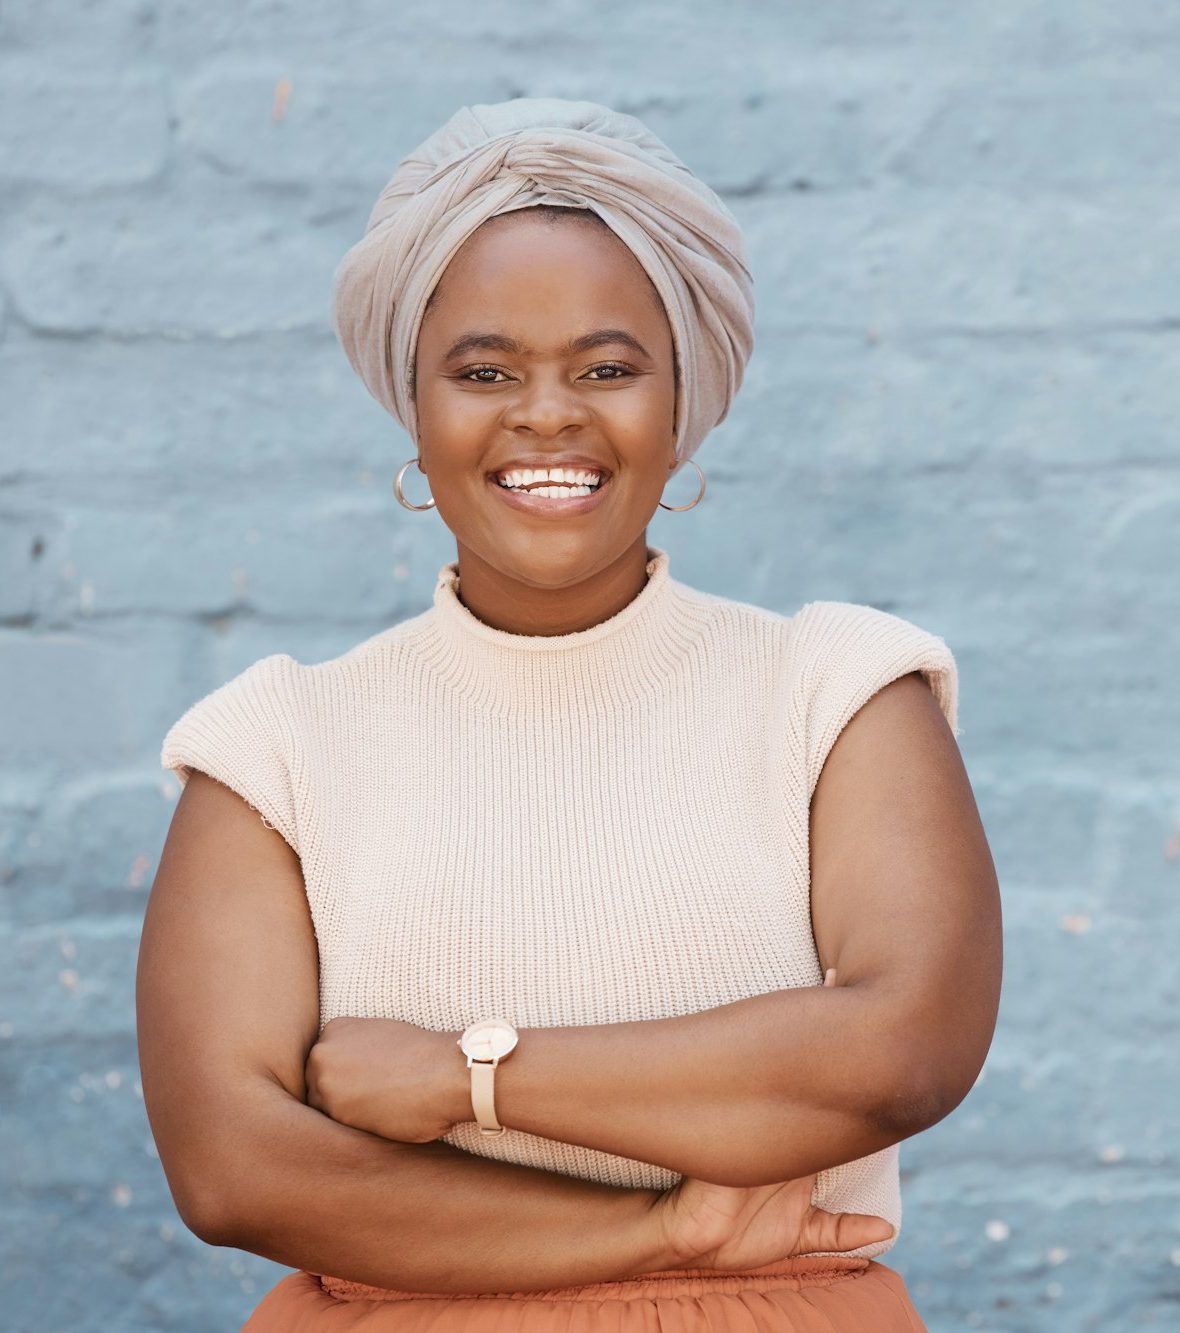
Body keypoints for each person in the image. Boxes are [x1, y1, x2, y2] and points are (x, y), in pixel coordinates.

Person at [136, 97, 1002, 1331]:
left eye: (607, 368)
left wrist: (461, 1075)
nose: (546, 414)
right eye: (483, 371)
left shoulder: (837, 690)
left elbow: (898, 1052)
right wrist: (655, 1230)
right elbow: (233, 1169)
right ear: (416, 414)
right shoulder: (275, 747)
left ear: (679, 408)